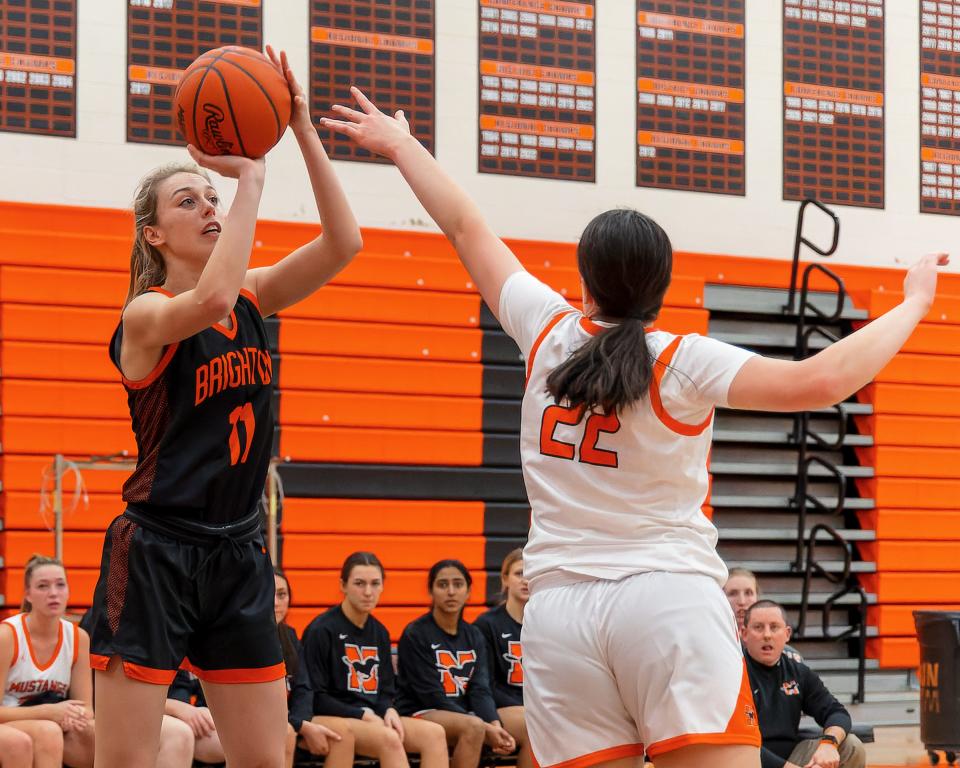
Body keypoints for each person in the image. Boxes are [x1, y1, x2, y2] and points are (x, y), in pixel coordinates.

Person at [322, 87, 945, 768]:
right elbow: (819, 380)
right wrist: (913, 300)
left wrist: (401, 144)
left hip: (557, 617)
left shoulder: (547, 330)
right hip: (665, 601)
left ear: (584, 276)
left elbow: (468, 227)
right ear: (662, 286)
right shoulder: (679, 361)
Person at [85, 46, 363, 768]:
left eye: (212, 195)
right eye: (190, 200)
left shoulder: (254, 297)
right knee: (127, 761)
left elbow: (345, 243)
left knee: (265, 761)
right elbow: (207, 298)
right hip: (154, 550)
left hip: (239, 551)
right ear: (154, 235)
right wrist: (252, 178)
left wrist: (298, 126)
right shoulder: (146, 316)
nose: (209, 205)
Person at [301, 552, 448, 768]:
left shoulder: (380, 632)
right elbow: (315, 696)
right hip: (335, 717)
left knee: (434, 734)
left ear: (382, 587)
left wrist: (388, 709)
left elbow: (386, 690)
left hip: (373, 717)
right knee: (389, 739)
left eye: (375, 583)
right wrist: (363, 715)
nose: (368, 592)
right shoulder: (321, 630)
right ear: (343, 585)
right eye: (359, 583)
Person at [395, 560, 514, 768]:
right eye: (442, 585)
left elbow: (480, 689)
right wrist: (483, 724)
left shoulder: (474, 635)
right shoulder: (416, 633)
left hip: (459, 715)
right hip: (419, 711)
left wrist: (494, 724)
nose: (451, 591)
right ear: (430, 591)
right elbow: (430, 695)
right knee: (474, 727)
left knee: (478, 726)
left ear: (468, 592)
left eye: (458, 584)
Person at [742, 601, 866, 768]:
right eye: (758, 627)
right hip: (749, 760)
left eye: (774, 627)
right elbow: (741, 743)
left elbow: (836, 712)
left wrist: (828, 744)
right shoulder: (734, 674)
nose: (767, 635)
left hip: (794, 755)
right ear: (744, 634)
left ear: (787, 634)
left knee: (850, 746)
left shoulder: (799, 673)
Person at [0, 555, 95, 768]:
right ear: (28, 594)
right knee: (48, 731)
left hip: (50, 719)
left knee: (100, 736)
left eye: (60, 585)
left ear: (69, 590)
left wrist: (73, 715)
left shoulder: (78, 637)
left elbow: (87, 708)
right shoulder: (7, 636)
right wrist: (49, 713)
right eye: (43, 586)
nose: (53, 593)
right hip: (9, 722)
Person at [273, 568, 354, 768]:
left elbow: (304, 687)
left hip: (289, 721)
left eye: (282, 595)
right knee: (286, 734)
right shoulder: (240, 640)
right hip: (246, 724)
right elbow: (251, 705)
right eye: (267, 595)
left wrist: (301, 722)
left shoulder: (289, 636)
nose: (275, 603)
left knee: (340, 735)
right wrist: (300, 725)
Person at [473, 548, 530, 768]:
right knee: (537, 726)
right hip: (500, 707)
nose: (526, 580)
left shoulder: (545, 624)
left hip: (537, 709)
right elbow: (485, 684)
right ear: (505, 578)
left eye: (531, 574)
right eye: (519, 573)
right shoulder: (487, 624)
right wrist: (528, 707)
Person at [724, 568, 802, 663]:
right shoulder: (714, 649)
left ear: (757, 597)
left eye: (748, 593)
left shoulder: (790, 657)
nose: (742, 601)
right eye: (733, 593)